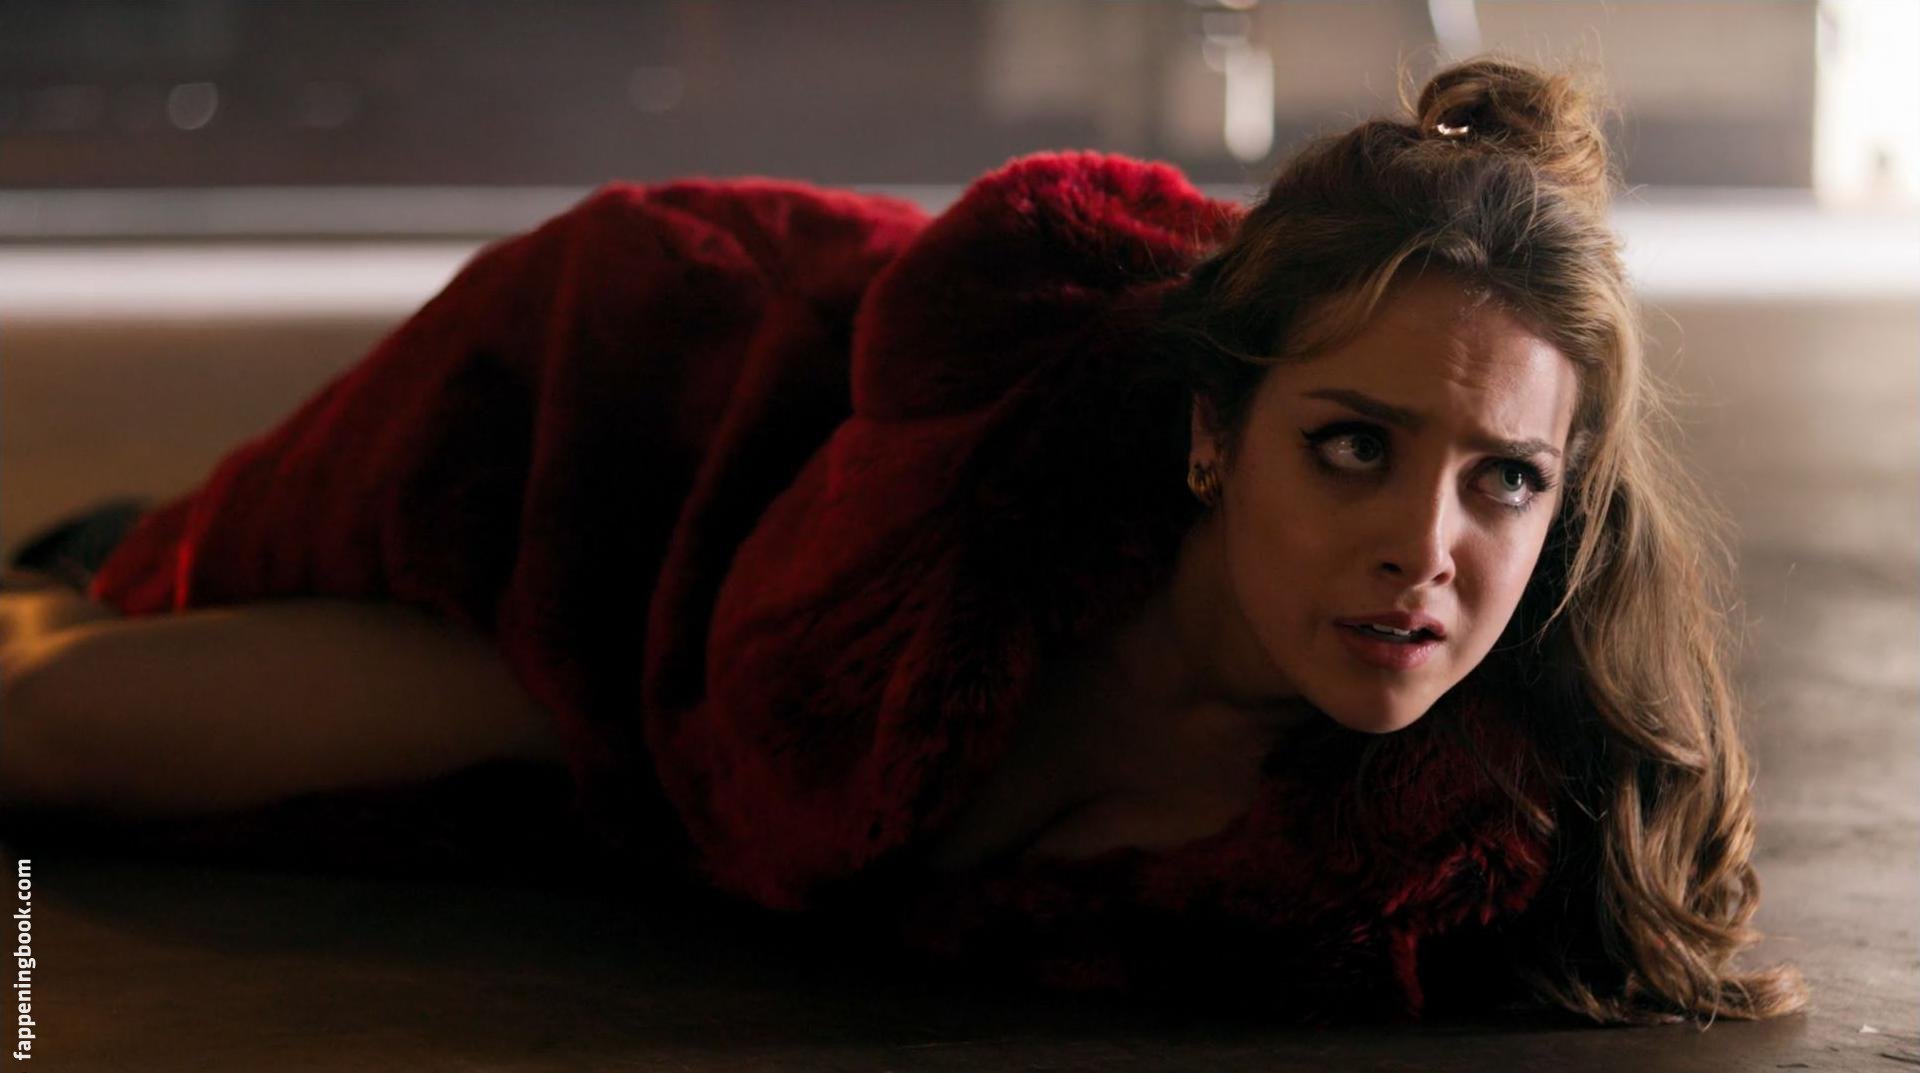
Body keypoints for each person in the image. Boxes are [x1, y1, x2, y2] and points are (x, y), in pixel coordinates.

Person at [0, 56, 1805, 1024]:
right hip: (620, 512)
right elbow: (750, 642)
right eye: (1353, 446)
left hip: (629, 786)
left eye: (1505, 480)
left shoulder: (1479, 833)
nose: (1424, 546)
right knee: (51, 721)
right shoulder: (979, 476)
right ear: (1212, 434)